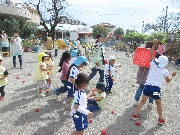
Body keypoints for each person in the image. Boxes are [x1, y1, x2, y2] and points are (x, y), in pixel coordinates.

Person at [131, 39, 176, 125]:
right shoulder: (165, 71)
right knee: (158, 103)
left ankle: (134, 115)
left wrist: (154, 45)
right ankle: (160, 119)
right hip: (156, 88)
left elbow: (151, 54)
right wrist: (172, 75)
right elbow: (168, 81)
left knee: (142, 101)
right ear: (166, 63)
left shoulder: (153, 64)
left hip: (148, 86)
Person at [134, 42, 154, 107]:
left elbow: (138, 62)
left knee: (141, 87)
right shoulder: (153, 54)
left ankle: (136, 100)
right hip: (150, 73)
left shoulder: (142, 53)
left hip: (142, 72)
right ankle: (150, 103)